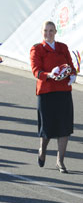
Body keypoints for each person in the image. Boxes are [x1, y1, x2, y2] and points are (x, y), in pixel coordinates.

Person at [30, 21, 76, 173]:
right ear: (42, 32)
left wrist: (73, 75)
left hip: (63, 91)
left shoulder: (63, 47)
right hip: (46, 92)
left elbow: (70, 65)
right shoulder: (37, 49)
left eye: (51, 30)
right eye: (45, 30)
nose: (48, 33)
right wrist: (49, 74)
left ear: (56, 31)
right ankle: (42, 150)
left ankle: (60, 161)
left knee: (65, 128)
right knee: (48, 129)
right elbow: (36, 71)